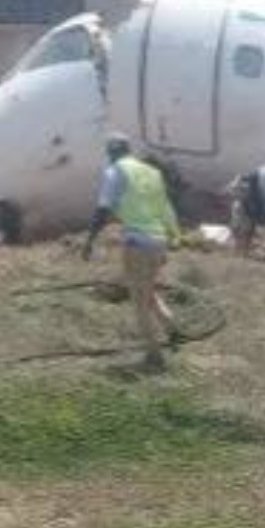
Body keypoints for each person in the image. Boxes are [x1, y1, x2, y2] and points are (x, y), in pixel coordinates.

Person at [84, 135, 182, 371]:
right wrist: (174, 235)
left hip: (138, 243)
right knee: (147, 289)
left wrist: (89, 240)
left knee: (138, 300)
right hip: (158, 241)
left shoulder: (116, 172)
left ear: (111, 153)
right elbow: (165, 207)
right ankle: (172, 328)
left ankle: (154, 357)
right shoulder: (151, 173)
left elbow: (103, 208)